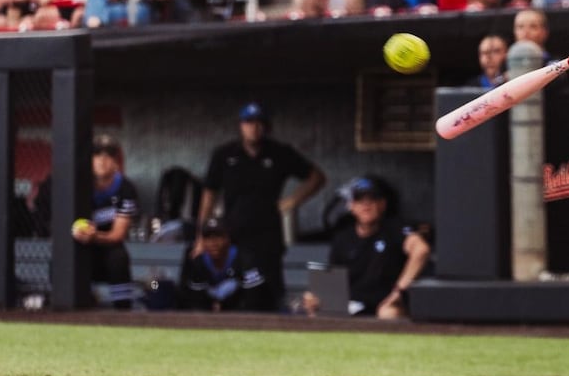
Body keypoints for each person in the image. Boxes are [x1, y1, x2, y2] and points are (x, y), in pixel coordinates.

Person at [195, 103, 326, 308]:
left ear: (267, 126)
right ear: (240, 126)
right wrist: (201, 236)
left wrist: (292, 200)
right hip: (232, 237)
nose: (254, 128)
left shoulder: (280, 153)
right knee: (233, 294)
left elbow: (316, 177)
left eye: (259, 123)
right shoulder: (224, 154)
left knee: (271, 295)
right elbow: (209, 194)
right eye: (249, 123)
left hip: (268, 238)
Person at [303, 178, 431, 318]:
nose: (366, 204)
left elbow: (421, 250)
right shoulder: (343, 238)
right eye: (359, 200)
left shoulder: (395, 228)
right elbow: (333, 280)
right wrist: (316, 298)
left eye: (372, 199)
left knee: (388, 313)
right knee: (317, 311)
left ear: (382, 204)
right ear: (351, 206)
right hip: (352, 303)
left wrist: (399, 291)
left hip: (386, 302)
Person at [72, 135, 139, 310]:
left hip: (108, 248)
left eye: (108, 155)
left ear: (116, 161)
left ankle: (123, 311)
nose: (102, 160)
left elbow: (118, 235)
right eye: (97, 155)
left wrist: (95, 236)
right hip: (82, 246)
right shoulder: (77, 185)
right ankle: (72, 307)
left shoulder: (125, 188)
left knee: (119, 257)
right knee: (63, 256)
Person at [179, 217, 273, 311]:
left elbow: (255, 302)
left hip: (245, 315)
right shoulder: (199, 263)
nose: (213, 242)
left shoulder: (245, 260)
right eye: (208, 237)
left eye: (218, 236)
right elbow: (196, 304)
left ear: (227, 238)